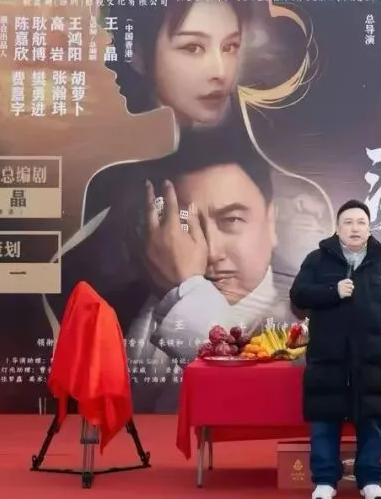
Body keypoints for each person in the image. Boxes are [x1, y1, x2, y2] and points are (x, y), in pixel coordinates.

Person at [60, 129, 299, 411]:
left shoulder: (308, 316)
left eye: (231, 220)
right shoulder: (111, 309)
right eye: (184, 223)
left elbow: (253, 403)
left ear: (271, 221)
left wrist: (187, 287)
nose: (210, 250)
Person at [291, 200, 381, 499]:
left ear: (369, 228)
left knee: (371, 420)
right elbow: (298, 295)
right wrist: (332, 291)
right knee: (324, 420)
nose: (355, 228)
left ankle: (370, 479)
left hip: (370, 357)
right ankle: (325, 480)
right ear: (337, 228)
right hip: (327, 357)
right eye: (348, 222)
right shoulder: (317, 260)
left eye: (361, 222)